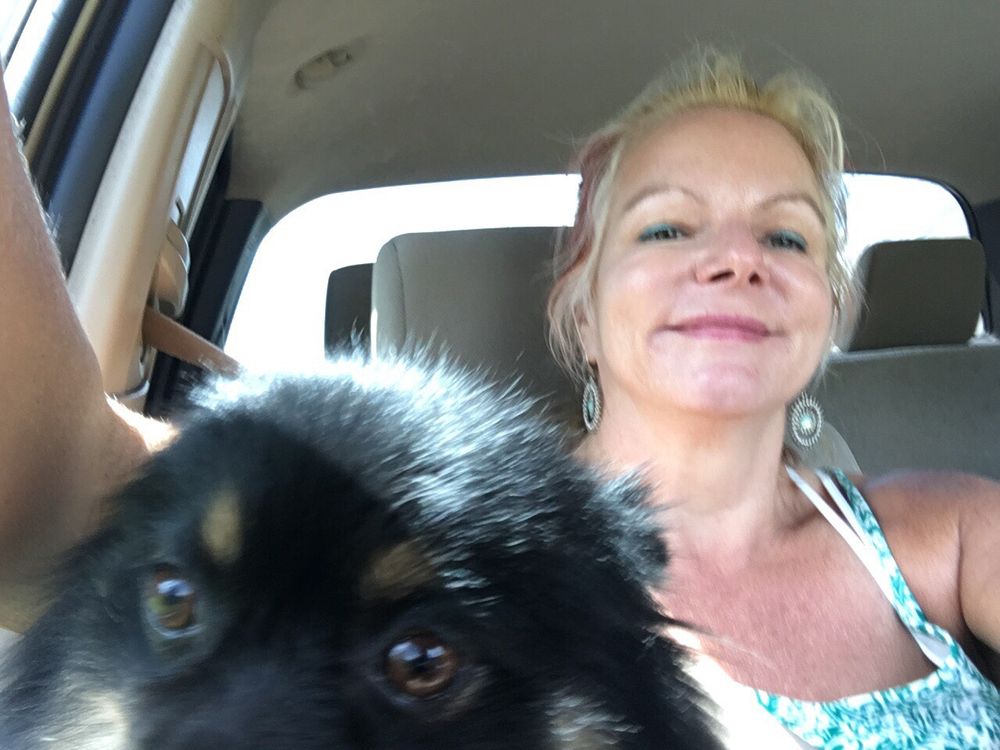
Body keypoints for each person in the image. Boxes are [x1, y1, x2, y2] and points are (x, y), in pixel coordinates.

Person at [546, 51, 999, 746]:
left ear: (828, 311)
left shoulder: (956, 531)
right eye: (667, 228)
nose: (740, 258)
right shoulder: (478, 584)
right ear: (584, 312)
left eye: (786, 237)